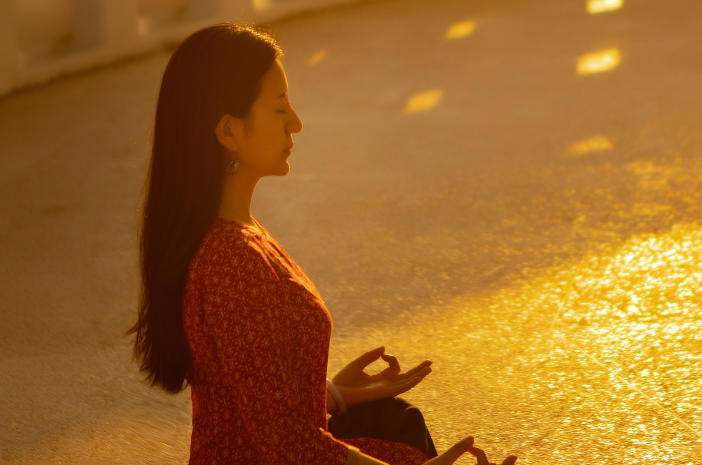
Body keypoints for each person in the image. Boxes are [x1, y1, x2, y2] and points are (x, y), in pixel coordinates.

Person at [127, 23, 517, 465]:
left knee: (394, 420)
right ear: (229, 131)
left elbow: (251, 398)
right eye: (279, 109)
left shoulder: (238, 234)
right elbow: (288, 446)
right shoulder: (232, 262)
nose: (296, 122)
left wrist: (327, 392)